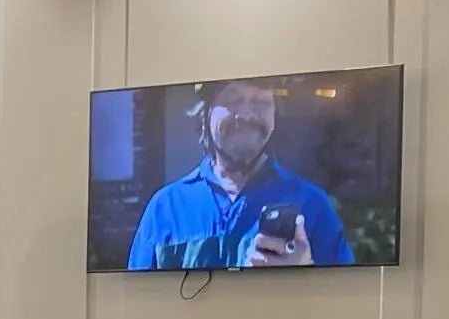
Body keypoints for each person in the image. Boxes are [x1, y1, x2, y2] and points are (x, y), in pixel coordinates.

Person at [125, 78, 355, 271]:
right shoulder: (165, 208)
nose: (246, 114)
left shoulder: (312, 206)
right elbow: (136, 302)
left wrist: (307, 273)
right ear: (206, 114)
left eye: (261, 102)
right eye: (233, 100)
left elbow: (345, 304)